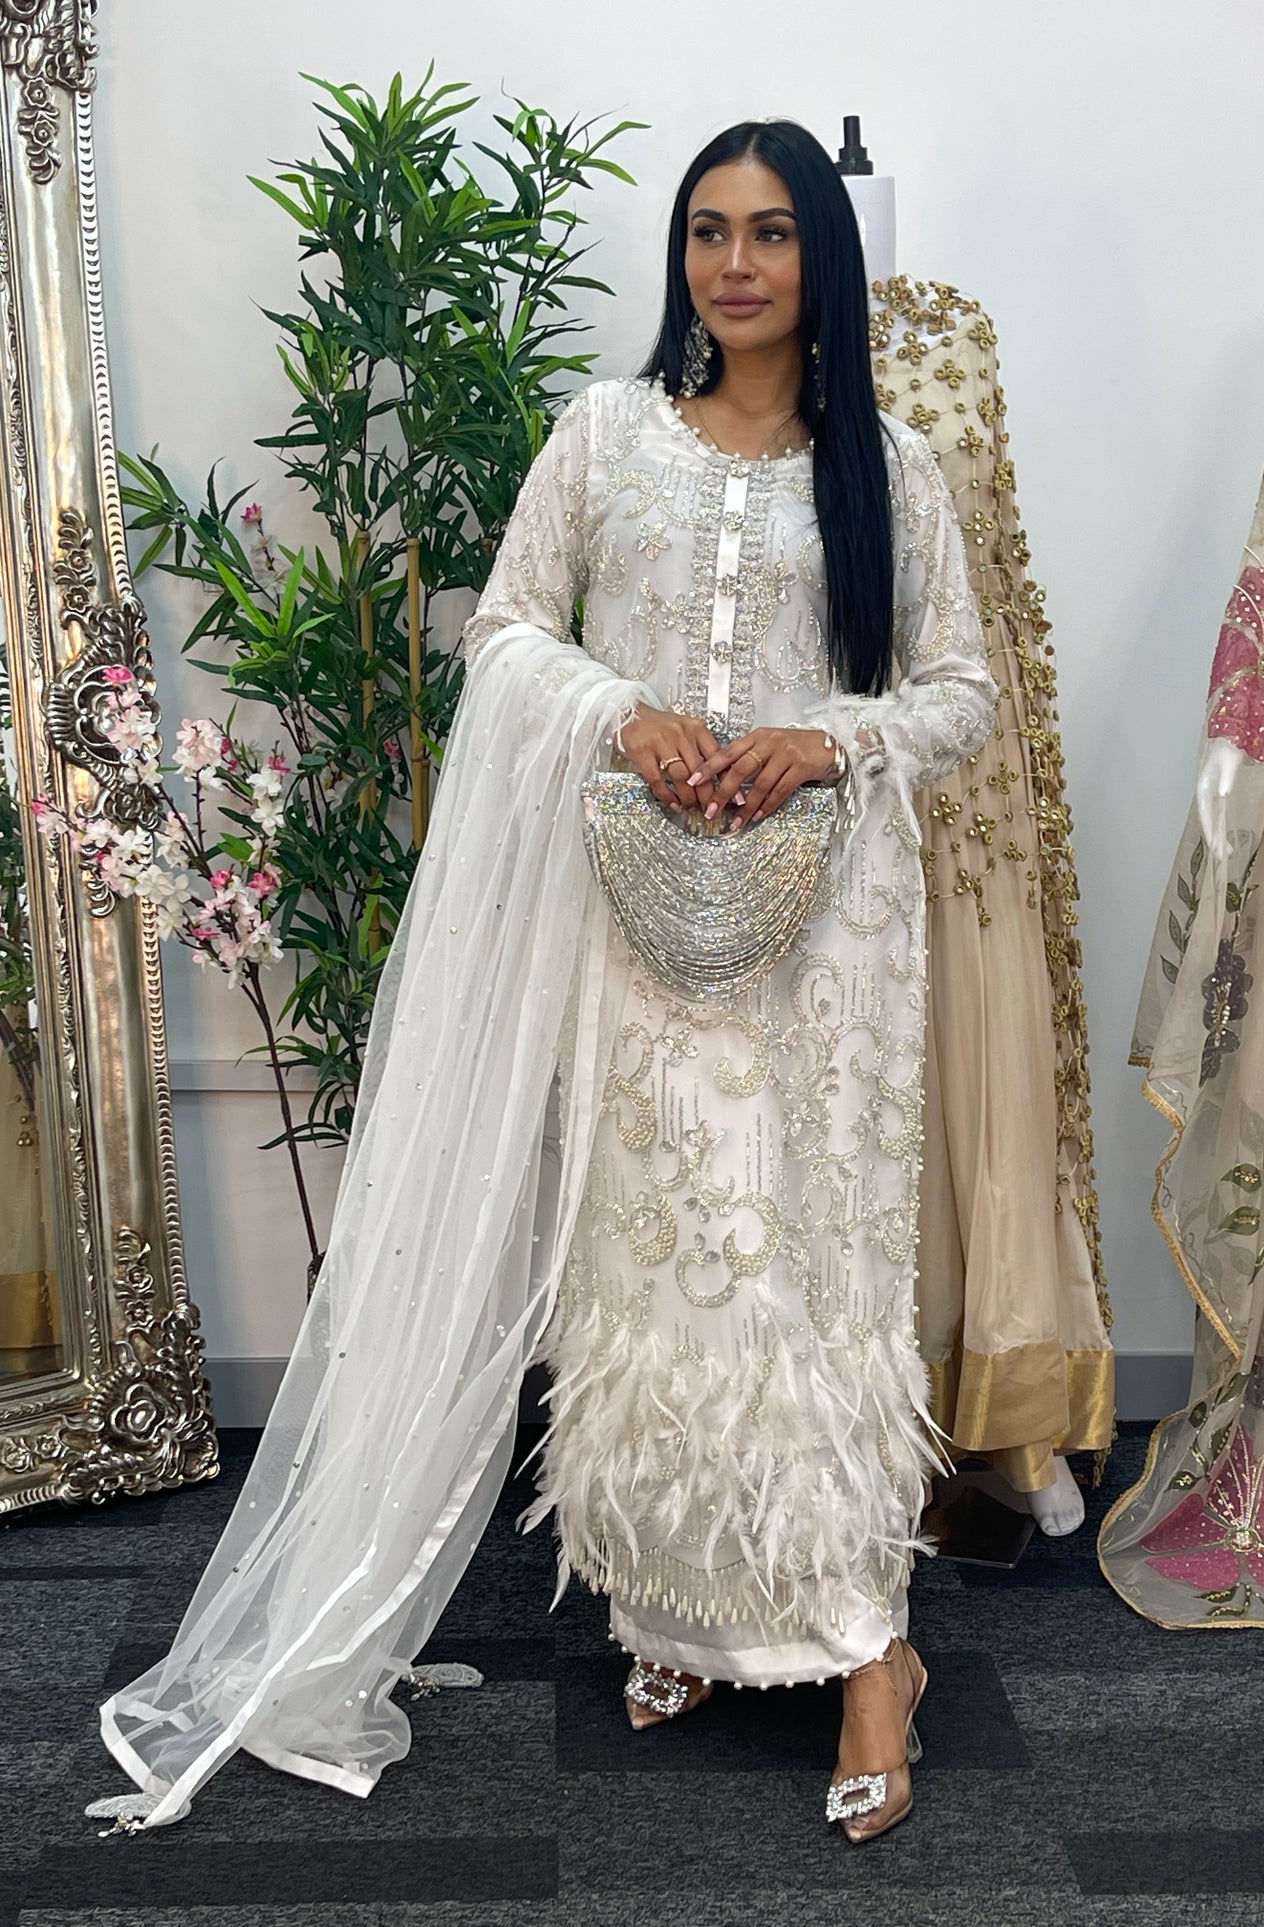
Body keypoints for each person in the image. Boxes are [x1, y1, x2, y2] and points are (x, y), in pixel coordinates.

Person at [95, 117, 996, 1846]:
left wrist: (824, 742)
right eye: (707, 232)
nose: (734, 265)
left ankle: (866, 1645)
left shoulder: (889, 468)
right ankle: (684, 1609)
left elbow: (957, 697)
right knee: (650, 1257)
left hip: (828, 939)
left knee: (814, 1269)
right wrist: (619, 711)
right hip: (634, 911)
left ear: (826, 259)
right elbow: (507, 630)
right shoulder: (606, 436)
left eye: (773, 234)